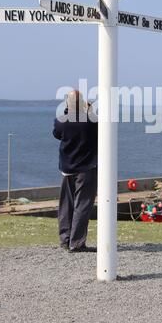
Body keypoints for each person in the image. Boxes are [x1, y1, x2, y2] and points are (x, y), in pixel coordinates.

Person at [53, 90, 98, 252]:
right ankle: (76, 242)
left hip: (67, 168)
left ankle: (65, 239)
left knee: (66, 205)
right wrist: (90, 111)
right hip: (86, 168)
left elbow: (57, 134)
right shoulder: (90, 121)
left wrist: (68, 110)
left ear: (67, 104)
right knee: (82, 205)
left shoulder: (61, 120)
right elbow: (99, 131)